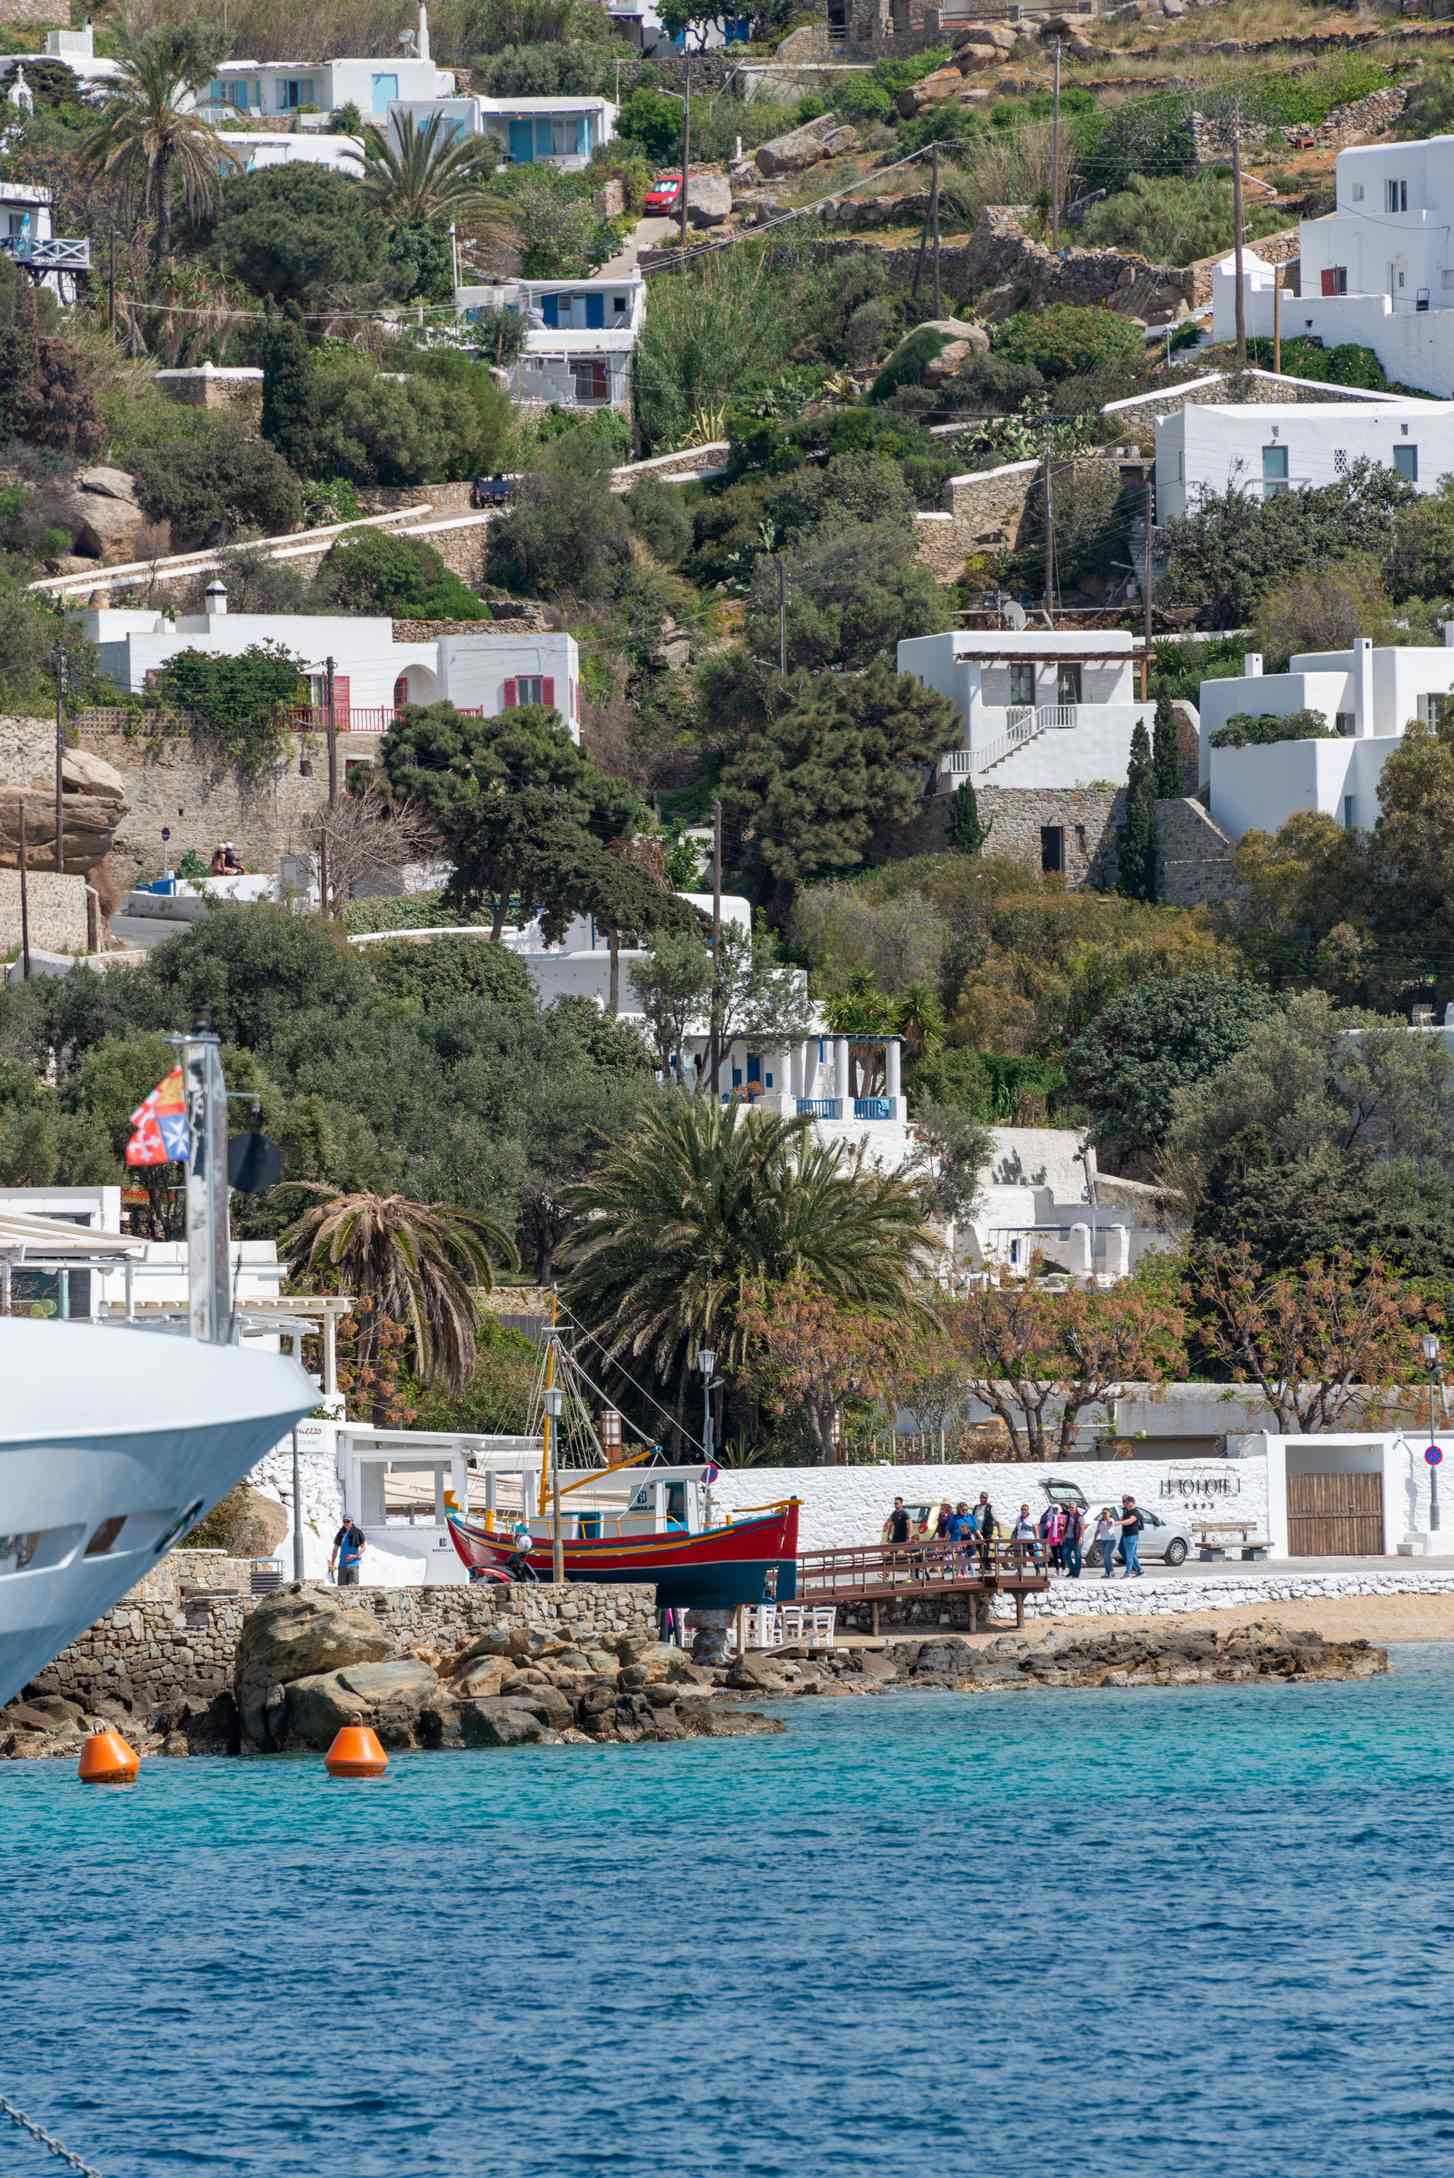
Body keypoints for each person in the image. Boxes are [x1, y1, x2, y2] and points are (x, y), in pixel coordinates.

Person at [329, 1515, 365, 1587]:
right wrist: (332, 1563)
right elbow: (335, 1550)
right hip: (342, 1565)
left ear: (352, 1522)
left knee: (353, 1589)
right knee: (341, 1589)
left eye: (348, 1521)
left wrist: (355, 1556)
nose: (346, 1523)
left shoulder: (358, 1532)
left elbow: (363, 1547)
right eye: (344, 1521)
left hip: (353, 1565)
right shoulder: (340, 1533)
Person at [1119, 1494, 1145, 1577]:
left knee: (1129, 1554)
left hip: (1132, 1535)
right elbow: (1123, 1519)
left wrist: (1117, 1523)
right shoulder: (1126, 1510)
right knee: (1128, 1552)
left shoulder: (1136, 1512)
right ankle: (1139, 1569)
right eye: (1123, 1502)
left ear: (1132, 1503)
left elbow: (1130, 1521)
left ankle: (1128, 1573)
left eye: (1126, 1502)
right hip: (1125, 1534)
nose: (1124, 1504)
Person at [1010, 1504, 1042, 1570]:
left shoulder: (1031, 1518)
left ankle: (1037, 1569)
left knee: (1032, 1555)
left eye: (1025, 1510)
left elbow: (1035, 1528)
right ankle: (1019, 1571)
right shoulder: (1018, 1518)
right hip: (1020, 1539)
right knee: (1019, 1556)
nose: (1024, 1511)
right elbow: (1016, 1528)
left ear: (1028, 1510)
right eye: (1022, 1509)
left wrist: (1037, 1538)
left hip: (1029, 1539)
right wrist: (1013, 1537)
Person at [1062, 1500, 1085, 1580]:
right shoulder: (1068, 1516)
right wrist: (1063, 1536)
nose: (1071, 1509)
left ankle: (1076, 1574)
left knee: (1077, 1557)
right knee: (1065, 1554)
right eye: (1070, 1507)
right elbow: (1066, 1527)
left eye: (1072, 1507)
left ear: (1075, 1508)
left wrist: (1081, 1537)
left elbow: (1082, 1528)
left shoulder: (1079, 1517)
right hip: (1068, 1539)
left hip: (1076, 1539)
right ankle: (1072, 1570)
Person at [1093, 1507, 1118, 1577]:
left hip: (1111, 1541)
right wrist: (1094, 1539)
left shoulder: (1111, 1520)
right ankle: (1111, 1571)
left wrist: (1107, 1517)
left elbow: (1110, 1523)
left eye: (1105, 1513)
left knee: (1107, 1555)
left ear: (1109, 1513)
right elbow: (1097, 1531)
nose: (1104, 1514)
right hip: (1103, 1541)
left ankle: (1108, 1572)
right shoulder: (1100, 1522)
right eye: (1103, 1513)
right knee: (1105, 1557)